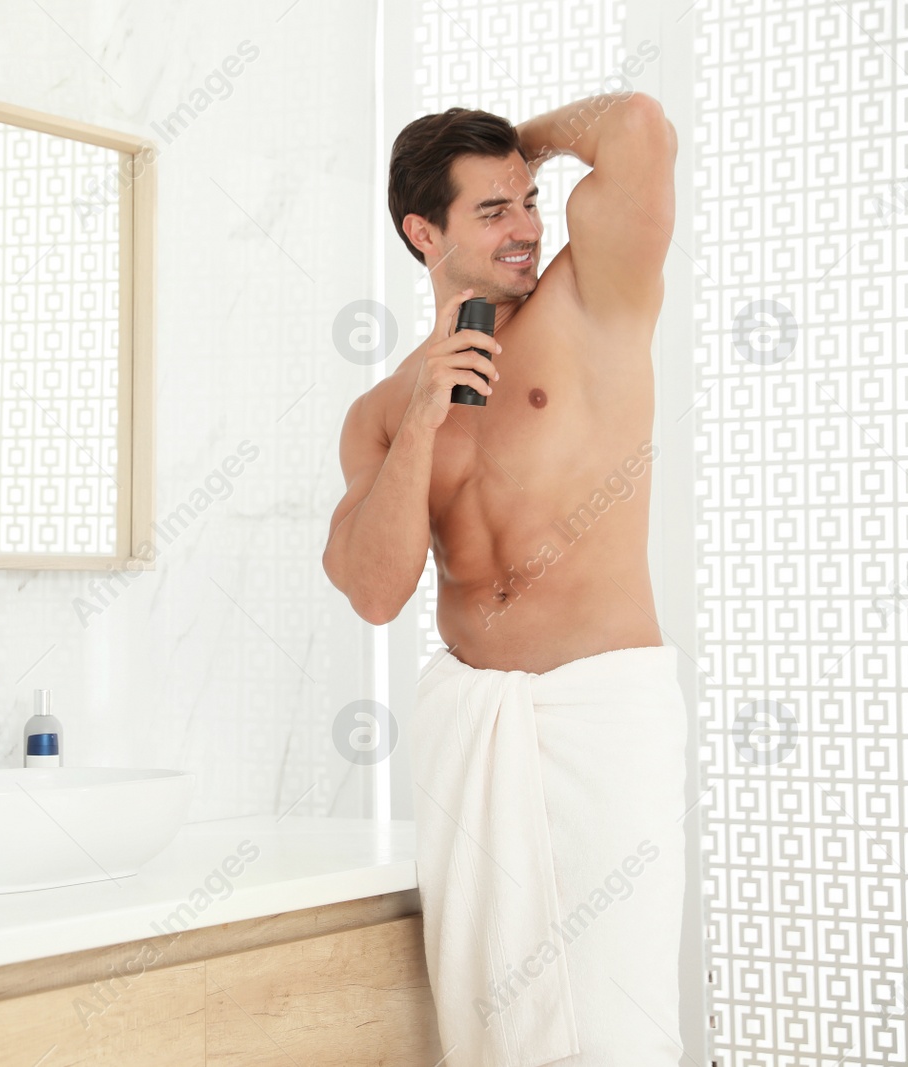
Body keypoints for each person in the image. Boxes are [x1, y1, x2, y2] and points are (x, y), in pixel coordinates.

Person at [326, 94, 688, 1065]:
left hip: (602, 717)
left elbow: (640, 130)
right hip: (472, 732)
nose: (527, 226)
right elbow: (371, 588)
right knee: (488, 1017)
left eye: (527, 200)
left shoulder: (591, 300)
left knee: (615, 1019)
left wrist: (522, 143)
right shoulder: (381, 409)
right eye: (491, 211)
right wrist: (427, 420)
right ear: (421, 231)